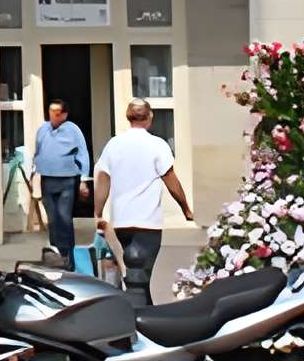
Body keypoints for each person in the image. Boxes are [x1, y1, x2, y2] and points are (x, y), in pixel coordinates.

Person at [92, 100, 191, 306]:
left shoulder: (114, 144)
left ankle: (144, 313)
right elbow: (171, 180)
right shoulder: (157, 145)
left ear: (128, 117)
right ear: (150, 117)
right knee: (140, 276)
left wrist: (98, 211)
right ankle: (138, 315)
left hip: (122, 222)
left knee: (136, 276)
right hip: (148, 222)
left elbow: (103, 179)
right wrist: (186, 209)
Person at [31, 98, 92, 265]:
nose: (53, 116)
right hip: (47, 179)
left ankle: (67, 255)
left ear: (64, 114)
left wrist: (83, 179)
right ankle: (55, 253)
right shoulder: (43, 129)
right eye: (51, 112)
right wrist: (34, 172)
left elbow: (83, 153)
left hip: (67, 179)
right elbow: (38, 152)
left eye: (57, 113)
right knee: (52, 219)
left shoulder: (73, 130)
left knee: (64, 217)